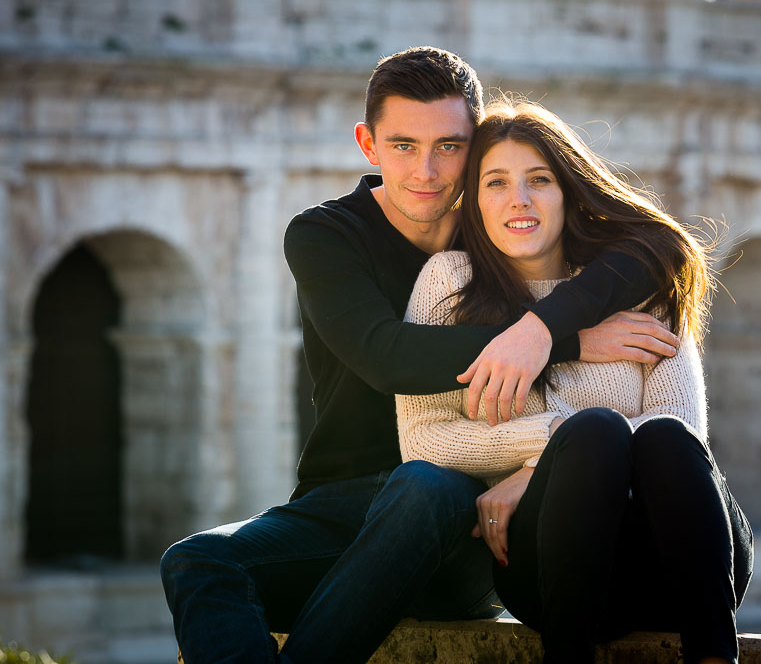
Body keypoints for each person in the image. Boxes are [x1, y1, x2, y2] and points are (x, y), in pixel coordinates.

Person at [160, 47, 681, 663]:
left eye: (450, 146)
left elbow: (652, 245)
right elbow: (387, 356)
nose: (427, 171)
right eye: (404, 145)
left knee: (423, 486)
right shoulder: (325, 236)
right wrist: (564, 340)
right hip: (342, 506)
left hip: (473, 511)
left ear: (477, 145)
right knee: (196, 559)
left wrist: (542, 328)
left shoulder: (500, 221)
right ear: (368, 144)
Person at [396, 99, 754, 664]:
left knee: (660, 437)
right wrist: (559, 448)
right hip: (549, 564)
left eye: (539, 179)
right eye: (496, 183)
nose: (519, 199)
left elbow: (684, 435)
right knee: (592, 433)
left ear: (569, 192)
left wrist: (534, 467)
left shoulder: (639, 286)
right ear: (475, 202)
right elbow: (422, 439)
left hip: (674, 558)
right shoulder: (449, 284)